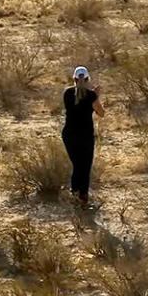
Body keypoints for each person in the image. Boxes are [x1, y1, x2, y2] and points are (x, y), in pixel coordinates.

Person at [62, 66, 105, 208]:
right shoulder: (91, 95)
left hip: (69, 134)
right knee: (85, 167)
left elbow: (78, 99)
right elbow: (101, 113)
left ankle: (74, 194)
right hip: (85, 135)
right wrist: (96, 95)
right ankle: (83, 199)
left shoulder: (67, 93)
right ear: (87, 79)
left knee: (76, 165)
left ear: (74, 78)